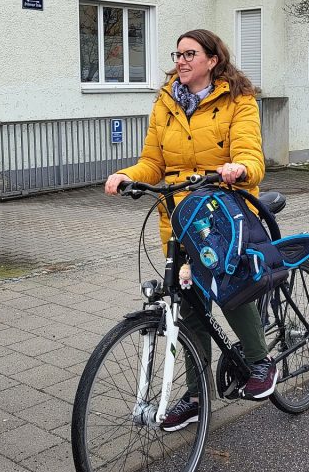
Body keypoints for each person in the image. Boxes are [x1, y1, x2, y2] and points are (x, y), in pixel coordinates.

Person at [104, 29, 275, 431]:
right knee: (187, 306)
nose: (181, 60)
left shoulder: (238, 100)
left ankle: (260, 361)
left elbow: (251, 153)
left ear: (212, 60)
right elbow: (152, 162)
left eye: (190, 54)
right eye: (177, 54)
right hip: (178, 217)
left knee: (228, 287)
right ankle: (198, 395)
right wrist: (127, 175)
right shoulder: (165, 102)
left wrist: (240, 168)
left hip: (220, 209)